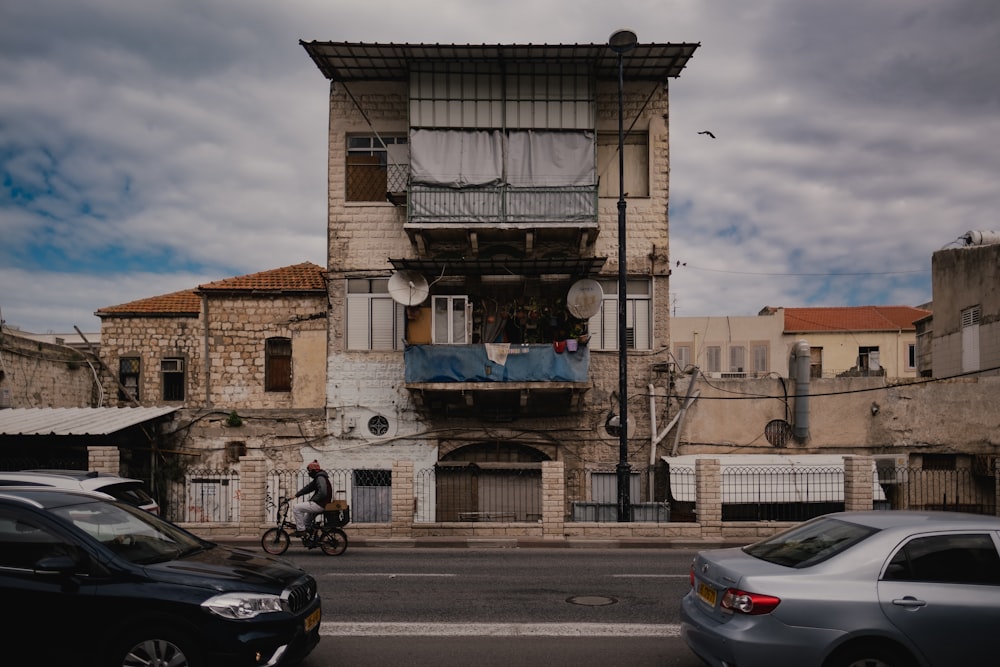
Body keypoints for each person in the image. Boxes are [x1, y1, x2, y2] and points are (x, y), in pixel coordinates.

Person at [291, 460, 332, 536]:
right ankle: (312, 538)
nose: (309, 473)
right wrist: (296, 495)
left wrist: (314, 500)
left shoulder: (320, 478)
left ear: (314, 470)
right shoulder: (319, 478)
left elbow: (323, 492)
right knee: (306, 522)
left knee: (296, 508)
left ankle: (301, 530)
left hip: (320, 504)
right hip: (321, 504)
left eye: (309, 471)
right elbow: (308, 488)